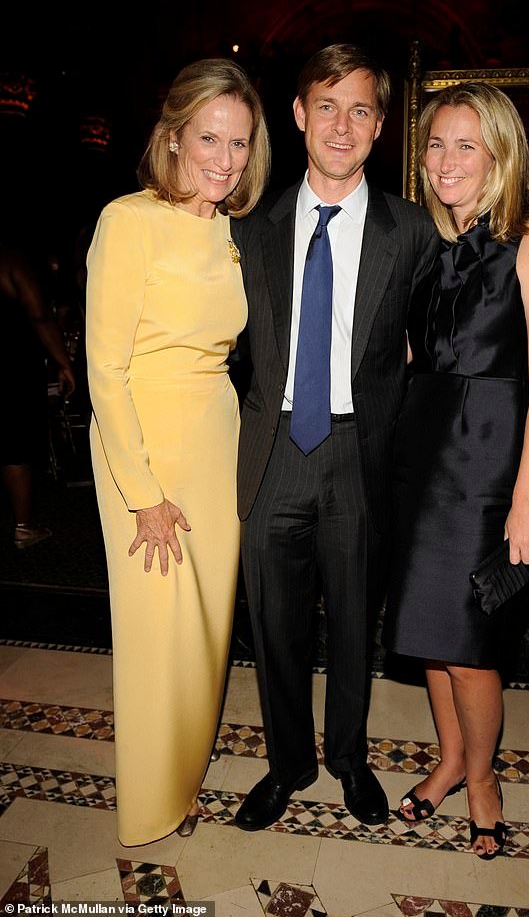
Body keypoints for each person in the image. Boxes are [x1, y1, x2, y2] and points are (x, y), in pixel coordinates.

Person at [231, 44, 439, 831]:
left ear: (381, 125)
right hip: (274, 449)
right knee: (274, 625)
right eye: (327, 106)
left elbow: (435, 342)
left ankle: (350, 758)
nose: (342, 126)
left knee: (354, 620)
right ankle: (289, 762)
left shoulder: (411, 231)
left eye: (360, 110)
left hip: (359, 450)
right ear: (298, 114)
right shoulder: (250, 226)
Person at [382, 82, 529, 858]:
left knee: (467, 645)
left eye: (466, 145)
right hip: (419, 455)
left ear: (499, 155)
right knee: (428, 633)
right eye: (436, 144)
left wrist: (526, 497)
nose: (446, 159)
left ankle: (484, 778)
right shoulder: (428, 241)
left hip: (487, 465)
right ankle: (450, 759)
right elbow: (409, 355)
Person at [85, 58, 270, 846]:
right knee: (156, 632)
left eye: (239, 142)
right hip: (143, 447)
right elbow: (105, 370)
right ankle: (153, 800)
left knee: (204, 631)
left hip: (217, 442)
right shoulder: (128, 221)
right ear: (173, 137)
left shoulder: (237, 233)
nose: (224, 159)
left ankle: (185, 774)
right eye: (209, 139)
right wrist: (142, 493)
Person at [0, 237, 75, 547]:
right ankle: (23, 526)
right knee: (15, 443)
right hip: (10, 363)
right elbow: (39, 313)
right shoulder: (10, 257)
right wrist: (63, 362)